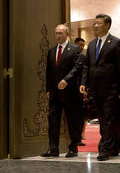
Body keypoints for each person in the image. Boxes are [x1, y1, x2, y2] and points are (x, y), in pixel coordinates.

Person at [80, 14, 120, 161]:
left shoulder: (116, 42)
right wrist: (84, 82)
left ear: (107, 25)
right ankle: (115, 146)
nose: (95, 26)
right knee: (103, 118)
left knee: (108, 119)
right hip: (95, 89)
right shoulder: (92, 44)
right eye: (94, 23)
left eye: (98, 23)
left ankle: (105, 148)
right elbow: (87, 65)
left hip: (111, 88)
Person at [41, 24, 83, 158]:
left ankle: (73, 148)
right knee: (53, 120)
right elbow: (49, 72)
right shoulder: (52, 51)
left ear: (67, 34)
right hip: (54, 93)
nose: (58, 36)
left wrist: (66, 80)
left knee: (72, 120)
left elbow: (77, 67)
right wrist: (48, 89)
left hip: (70, 91)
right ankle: (53, 149)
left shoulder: (75, 49)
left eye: (60, 33)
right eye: (56, 33)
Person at [74, 37, 88, 145]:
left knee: (82, 113)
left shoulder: (84, 57)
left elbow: (85, 73)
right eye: (79, 44)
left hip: (81, 89)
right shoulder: (70, 55)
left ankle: (81, 134)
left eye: (83, 45)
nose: (81, 47)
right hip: (70, 88)